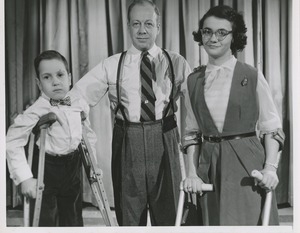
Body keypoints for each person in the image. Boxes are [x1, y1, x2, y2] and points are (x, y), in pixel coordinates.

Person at [70, 0, 193, 226]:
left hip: (164, 138)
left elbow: (196, 103)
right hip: (127, 142)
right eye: (136, 23)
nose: (142, 30)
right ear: (128, 26)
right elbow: (77, 96)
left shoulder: (175, 61)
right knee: (129, 215)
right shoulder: (112, 64)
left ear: (158, 26)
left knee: (170, 213)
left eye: (148, 23)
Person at [182, 5, 285, 225]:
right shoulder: (192, 81)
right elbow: (191, 133)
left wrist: (270, 169)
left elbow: (272, 128)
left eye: (222, 32)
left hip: (247, 167)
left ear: (234, 37)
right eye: (207, 31)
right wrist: (191, 173)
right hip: (208, 167)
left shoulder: (252, 75)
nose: (213, 38)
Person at [6, 50, 97, 226]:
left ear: (69, 78)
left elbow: (88, 135)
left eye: (60, 75)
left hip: (73, 166)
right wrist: (24, 177)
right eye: (47, 77)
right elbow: (13, 140)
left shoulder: (79, 103)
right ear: (39, 84)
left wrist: (93, 166)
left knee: (72, 218)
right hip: (46, 168)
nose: (55, 81)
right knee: (45, 219)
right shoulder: (36, 109)